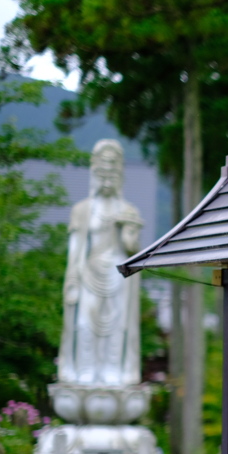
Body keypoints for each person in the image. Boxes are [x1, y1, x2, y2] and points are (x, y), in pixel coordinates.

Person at [57, 139, 142, 387]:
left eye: (112, 169)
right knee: (85, 324)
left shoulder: (128, 210)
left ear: (120, 173)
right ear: (94, 171)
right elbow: (75, 251)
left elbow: (133, 249)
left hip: (118, 273)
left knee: (117, 325)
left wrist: (128, 231)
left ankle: (111, 371)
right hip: (89, 271)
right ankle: (85, 370)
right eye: (103, 170)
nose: (107, 176)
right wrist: (72, 280)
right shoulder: (83, 210)